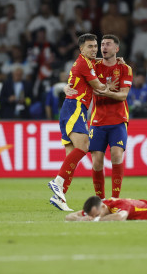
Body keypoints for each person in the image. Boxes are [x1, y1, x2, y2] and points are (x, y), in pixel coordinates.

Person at [48, 33, 112, 211]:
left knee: (71, 156)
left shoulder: (87, 62)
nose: (94, 49)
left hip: (71, 107)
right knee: (84, 146)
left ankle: (60, 196)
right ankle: (58, 182)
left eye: (95, 46)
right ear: (81, 49)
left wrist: (117, 59)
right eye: (90, 46)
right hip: (75, 107)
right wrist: (111, 88)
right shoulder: (84, 63)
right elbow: (98, 87)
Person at [87, 35, 133, 201]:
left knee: (116, 155)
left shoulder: (125, 69)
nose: (103, 47)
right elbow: (81, 64)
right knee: (97, 162)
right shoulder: (94, 66)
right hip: (98, 121)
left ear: (116, 49)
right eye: (102, 44)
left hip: (118, 120)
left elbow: (123, 96)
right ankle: (100, 200)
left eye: (108, 44)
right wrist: (108, 89)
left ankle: (114, 199)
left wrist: (106, 91)